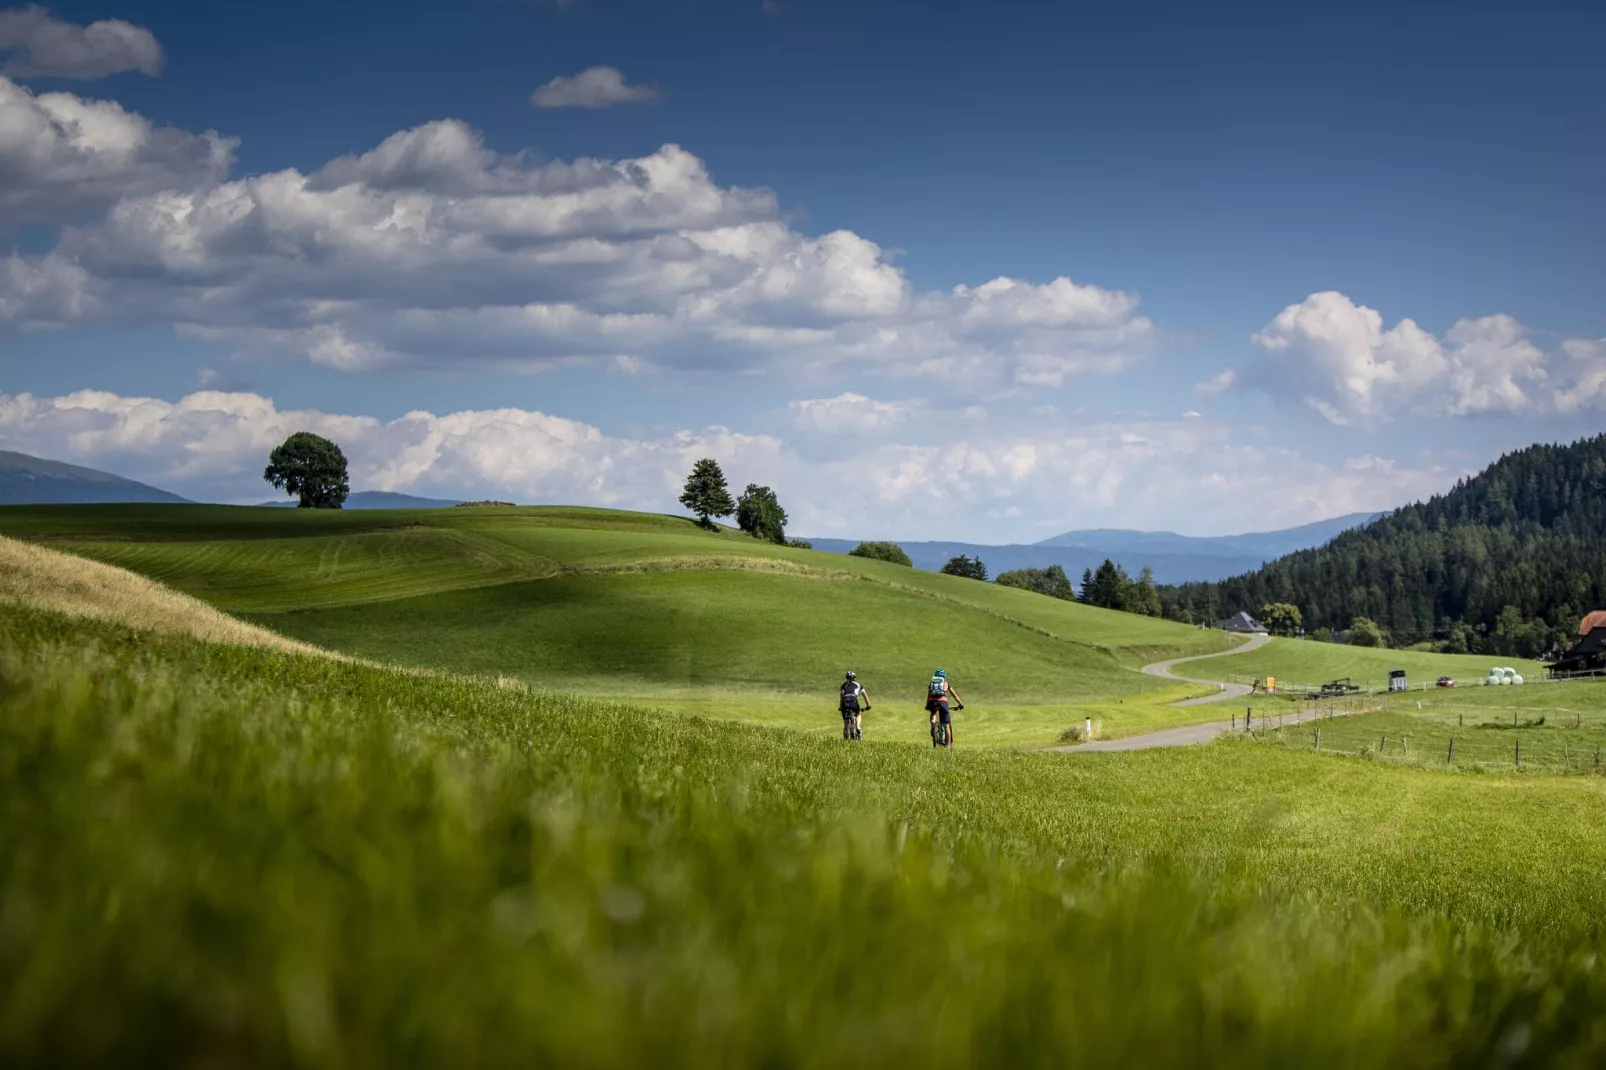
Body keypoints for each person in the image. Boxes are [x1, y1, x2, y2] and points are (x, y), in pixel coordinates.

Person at [926, 668, 964, 748]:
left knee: (933, 714)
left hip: (932, 702)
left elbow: (929, 695)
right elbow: (955, 695)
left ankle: (933, 726)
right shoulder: (946, 683)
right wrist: (960, 704)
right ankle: (948, 746)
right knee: (946, 725)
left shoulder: (932, 683)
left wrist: (928, 704)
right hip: (943, 703)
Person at [839, 671, 871, 739]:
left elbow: (841, 697)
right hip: (853, 702)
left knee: (846, 723)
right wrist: (868, 706)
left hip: (845, 703)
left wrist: (840, 707)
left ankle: (846, 737)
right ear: (854, 678)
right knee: (858, 713)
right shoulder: (858, 684)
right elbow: (865, 697)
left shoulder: (843, 685)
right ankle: (858, 727)